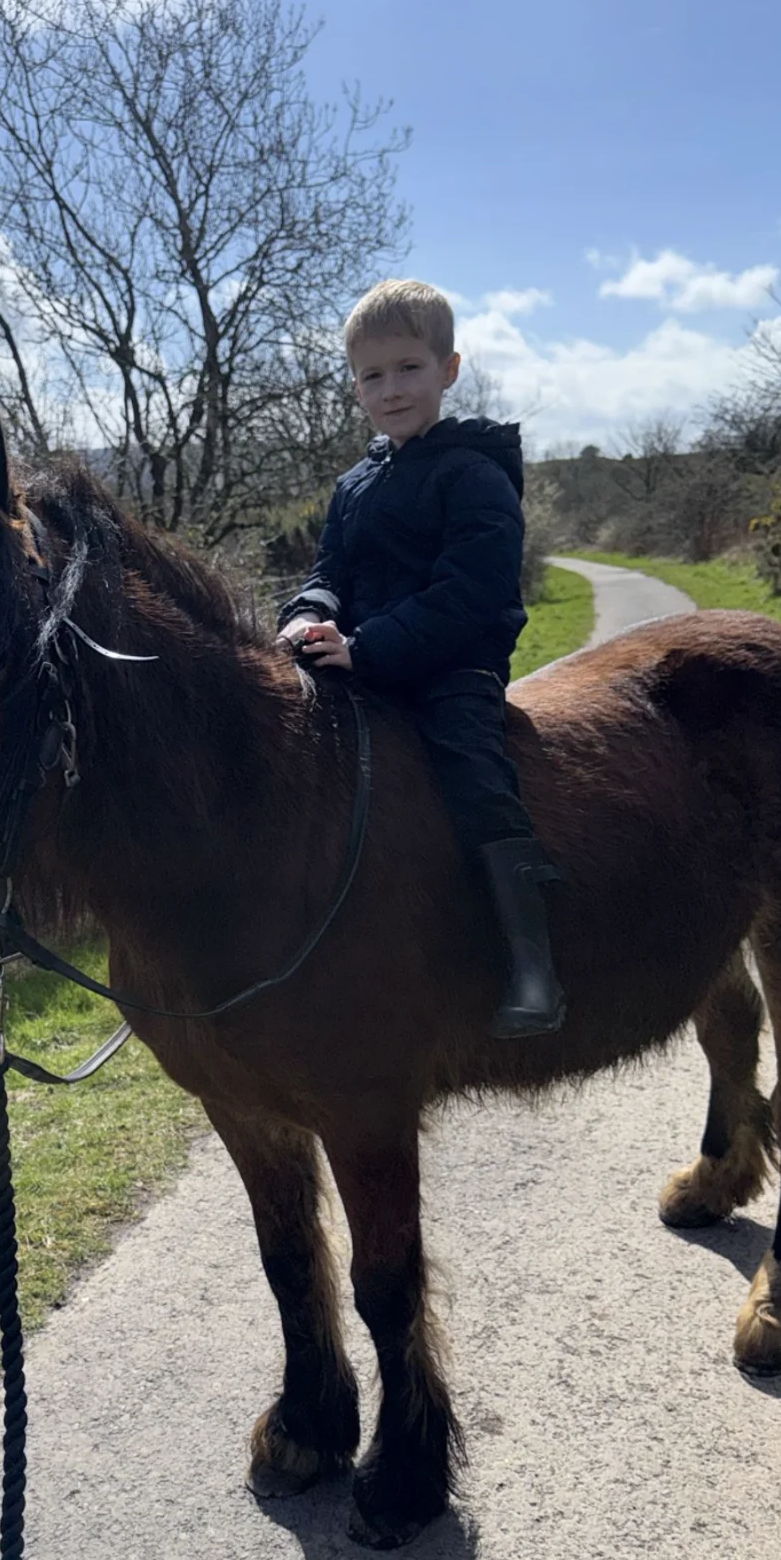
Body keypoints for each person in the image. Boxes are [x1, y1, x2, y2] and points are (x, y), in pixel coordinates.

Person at [276, 277, 565, 1038]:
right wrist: (308, 616)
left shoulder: (475, 475)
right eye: (372, 375)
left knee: (471, 771)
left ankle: (531, 962)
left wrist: (367, 647)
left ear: (449, 369)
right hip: (355, 660)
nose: (391, 389)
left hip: (450, 669)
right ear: (355, 386)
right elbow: (328, 571)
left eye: (408, 368)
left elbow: (468, 593)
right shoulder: (353, 485)